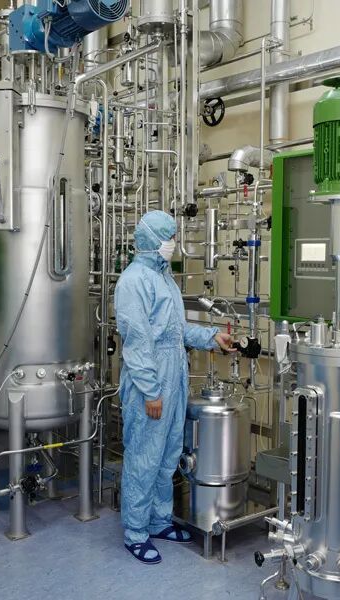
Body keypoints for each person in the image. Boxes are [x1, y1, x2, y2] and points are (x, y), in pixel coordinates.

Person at [115, 210, 235, 564]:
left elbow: (175, 331)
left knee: (167, 454)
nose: (173, 243)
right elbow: (138, 342)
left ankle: (158, 521)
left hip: (175, 374)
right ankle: (136, 532)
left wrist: (212, 338)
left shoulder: (164, 276)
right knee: (144, 457)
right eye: (169, 237)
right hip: (149, 380)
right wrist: (151, 391)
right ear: (153, 240)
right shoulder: (133, 281)